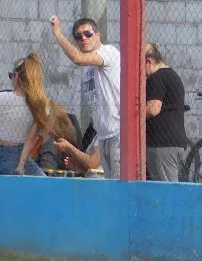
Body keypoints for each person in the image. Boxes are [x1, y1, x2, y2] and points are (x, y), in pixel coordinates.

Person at [51, 15, 121, 178]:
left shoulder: (108, 52)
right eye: (78, 36)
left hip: (119, 131)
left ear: (97, 35)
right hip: (103, 134)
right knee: (110, 185)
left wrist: (58, 33)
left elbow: (77, 58)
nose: (83, 38)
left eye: (88, 33)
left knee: (120, 186)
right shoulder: (87, 68)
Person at [4, 54, 77, 176]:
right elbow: (32, 137)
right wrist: (21, 166)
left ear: (16, 76)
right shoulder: (40, 106)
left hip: (17, 153)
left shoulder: (4, 98)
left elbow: (35, 138)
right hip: (24, 154)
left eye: (11, 76)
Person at [142, 43, 188, 182]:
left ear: (148, 61)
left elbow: (153, 108)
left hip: (162, 144)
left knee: (165, 191)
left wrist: (129, 114)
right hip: (174, 142)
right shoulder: (172, 74)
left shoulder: (156, 77)